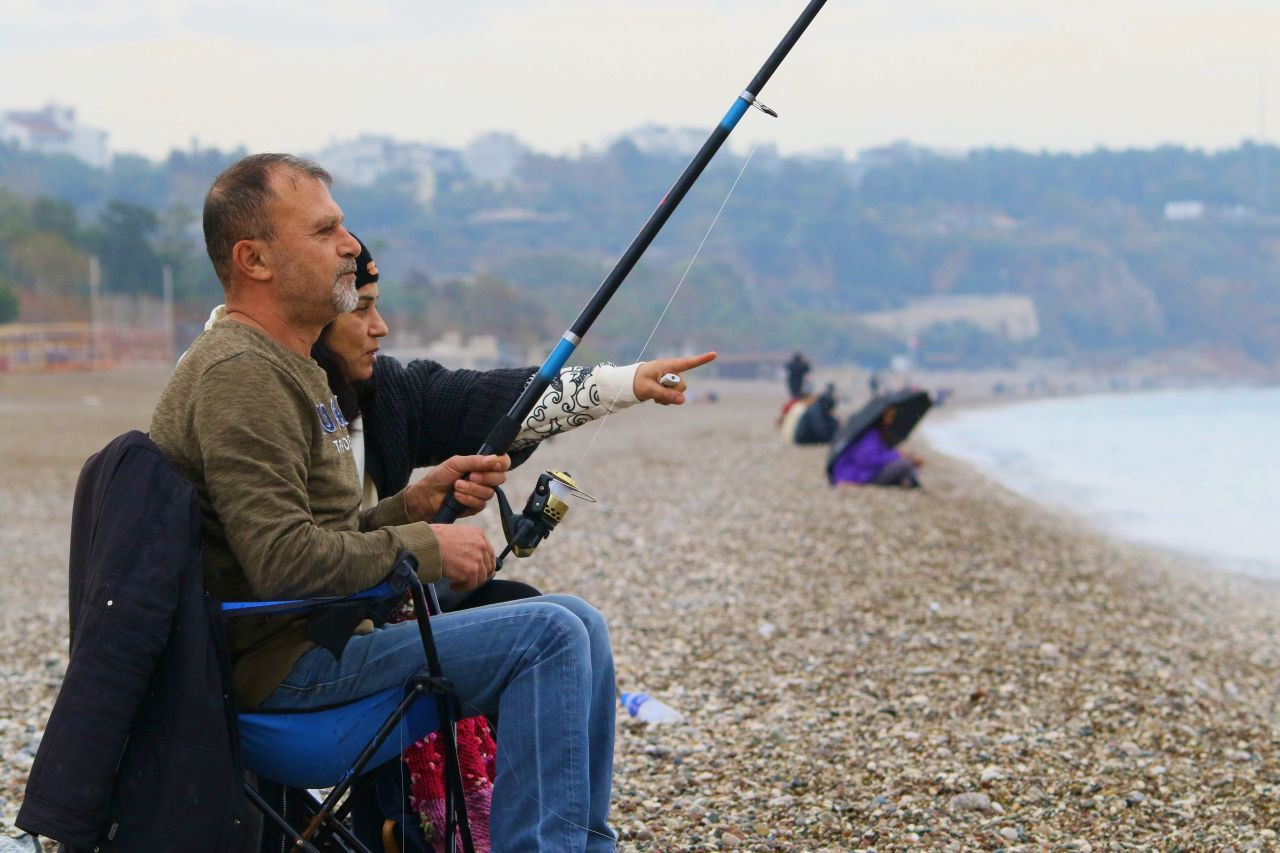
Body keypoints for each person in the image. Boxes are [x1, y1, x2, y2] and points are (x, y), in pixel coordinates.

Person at [150, 153, 617, 851]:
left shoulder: (293, 364)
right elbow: (281, 562)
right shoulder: (239, 374)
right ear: (255, 259)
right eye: (324, 231)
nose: (349, 246)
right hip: (281, 673)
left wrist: (411, 505)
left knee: (578, 619)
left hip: (326, 637)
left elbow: (318, 533)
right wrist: (430, 546)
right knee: (546, 636)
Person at [830, 404, 925, 488]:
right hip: (855, 476)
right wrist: (898, 456)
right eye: (890, 415)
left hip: (861, 473)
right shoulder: (871, 433)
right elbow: (868, 459)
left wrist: (901, 455)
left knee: (906, 463)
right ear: (882, 415)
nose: (892, 419)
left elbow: (879, 453)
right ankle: (910, 481)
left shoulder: (874, 432)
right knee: (905, 464)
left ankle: (907, 479)